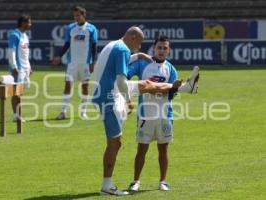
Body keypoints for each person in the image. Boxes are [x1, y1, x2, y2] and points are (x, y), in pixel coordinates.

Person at [127, 36, 200, 192]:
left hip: (165, 115)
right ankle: (135, 181)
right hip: (145, 115)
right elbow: (126, 75)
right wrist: (137, 56)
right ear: (154, 48)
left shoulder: (171, 68)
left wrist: (173, 89)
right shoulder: (142, 64)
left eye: (165, 48)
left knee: (163, 149)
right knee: (142, 149)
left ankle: (163, 181)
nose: (161, 50)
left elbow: (172, 95)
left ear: (169, 50)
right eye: (159, 47)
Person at [91, 26, 146, 196]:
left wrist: (138, 56)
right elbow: (121, 81)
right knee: (115, 143)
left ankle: (107, 184)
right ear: (134, 38)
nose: (140, 47)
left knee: (115, 142)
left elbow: (118, 61)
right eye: (140, 44)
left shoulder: (114, 45)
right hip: (108, 98)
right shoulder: (122, 49)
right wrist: (129, 101)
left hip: (103, 95)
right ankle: (107, 185)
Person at [52, 5, 98, 120]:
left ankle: (83, 113)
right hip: (72, 63)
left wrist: (93, 62)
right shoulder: (70, 28)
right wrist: (59, 56)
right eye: (74, 16)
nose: (76, 18)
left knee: (85, 87)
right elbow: (67, 44)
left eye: (78, 15)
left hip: (86, 63)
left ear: (84, 15)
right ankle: (63, 112)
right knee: (67, 85)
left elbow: (94, 46)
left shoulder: (91, 29)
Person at [8, 14, 32, 122]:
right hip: (18, 68)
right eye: (29, 22)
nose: (30, 24)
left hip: (25, 68)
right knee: (16, 93)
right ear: (23, 23)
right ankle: (15, 115)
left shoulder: (25, 36)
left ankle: (18, 115)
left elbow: (25, 53)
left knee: (20, 93)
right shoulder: (15, 35)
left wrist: (29, 67)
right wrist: (14, 66)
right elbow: (11, 52)